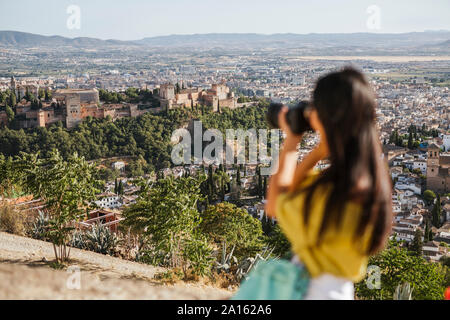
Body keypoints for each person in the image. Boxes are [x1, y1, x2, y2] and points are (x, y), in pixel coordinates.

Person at [264, 67, 393, 300]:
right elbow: (295, 188)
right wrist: (322, 148)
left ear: (326, 118)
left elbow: (275, 201)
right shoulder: (371, 187)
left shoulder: (327, 196)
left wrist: (293, 140)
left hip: (309, 291)